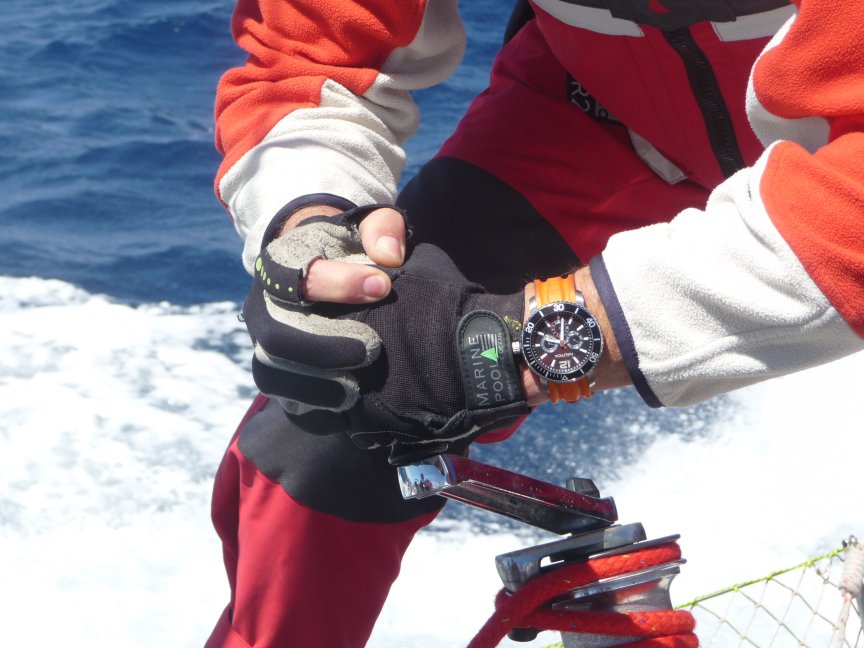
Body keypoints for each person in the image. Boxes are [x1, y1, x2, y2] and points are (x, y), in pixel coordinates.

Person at [205, 0, 864, 646]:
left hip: (841, 154)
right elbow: (306, 51)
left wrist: (517, 347)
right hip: (597, 122)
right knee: (339, 399)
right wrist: (311, 220)